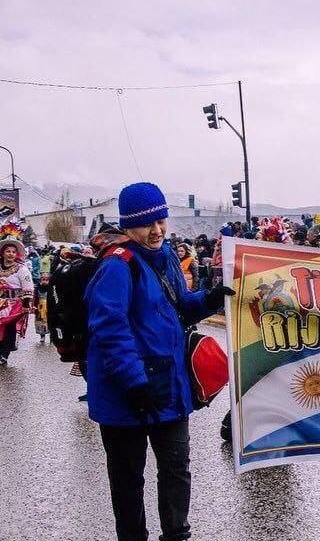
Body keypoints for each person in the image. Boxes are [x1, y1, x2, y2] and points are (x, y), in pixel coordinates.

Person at [85, 182, 233, 541]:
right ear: (127, 227)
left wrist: (211, 299)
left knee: (176, 468)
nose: (156, 231)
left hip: (168, 386)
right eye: (145, 224)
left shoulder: (165, 256)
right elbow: (109, 329)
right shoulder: (117, 267)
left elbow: (180, 306)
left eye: (161, 221)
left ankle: (176, 534)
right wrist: (135, 382)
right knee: (127, 478)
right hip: (125, 393)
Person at [0, 228, 33, 366]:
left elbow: (28, 287)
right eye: (8, 251)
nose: (11, 254)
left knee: (8, 327)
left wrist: (26, 305)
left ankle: (4, 354)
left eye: (13, 251)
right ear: (3, 253)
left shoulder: (21, 269)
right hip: (0, 302)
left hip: (15, 304)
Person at [34, 271, 50, 344]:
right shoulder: (37, 288)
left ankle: (51, 336)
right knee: (40, 322)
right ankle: (42, 336)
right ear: (40, 280)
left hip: (48, 307)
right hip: (40, 307)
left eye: (47, 280)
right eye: (43, 279)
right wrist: (34, 307)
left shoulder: (51, 288)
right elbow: (35, 298)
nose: (45, 281)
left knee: (49, 322)